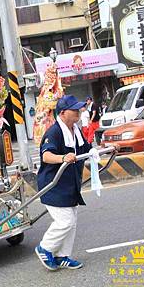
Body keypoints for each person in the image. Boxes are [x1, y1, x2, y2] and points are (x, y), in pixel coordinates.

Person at [35, 95, 92, 271]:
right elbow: (46, 155)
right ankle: (45, 248)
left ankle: (62, 256)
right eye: (74, 110)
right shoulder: (54, 132)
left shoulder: (75, 130)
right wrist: (63, 158)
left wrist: (106, 149)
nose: (78, 112)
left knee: (72, 222)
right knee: (65, 221)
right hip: (53, 185)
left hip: (70, 184)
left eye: (79, 109)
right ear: (63, 113)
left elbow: (86, 149)